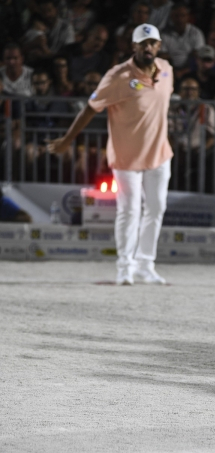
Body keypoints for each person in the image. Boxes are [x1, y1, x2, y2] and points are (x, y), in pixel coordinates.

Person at [46, 23, 173, 285]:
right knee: (129, 211)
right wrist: (68, 139)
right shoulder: (118, 76)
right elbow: (90, 108)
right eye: (143, 43)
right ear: (134, 46)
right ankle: (125, 267)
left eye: (152, 43)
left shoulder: (167, 71)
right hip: (126, 156)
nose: (148, 47)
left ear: (159, 46)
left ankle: (145, 265)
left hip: (159, 153)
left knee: (157, 208)